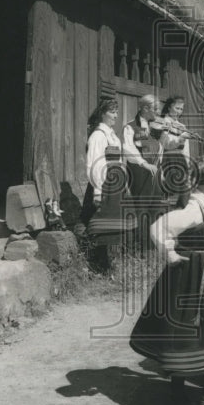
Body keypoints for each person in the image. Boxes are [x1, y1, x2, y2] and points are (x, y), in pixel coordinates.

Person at [129, 158, 204, 405]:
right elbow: (158, 228)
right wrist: (170, 253)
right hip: (191, 275)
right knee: (189, 328)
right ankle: (187, 389)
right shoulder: (194, 208)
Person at [81, 98, 134, 274]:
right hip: (103, 184)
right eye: (112, 112)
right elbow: (95, 164)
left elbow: (118, 161)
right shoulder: (98, 135)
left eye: (117, 112)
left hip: (115, 184)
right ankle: (94, 262)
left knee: (112, 224)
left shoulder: (112, 135)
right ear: (102, 113)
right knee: (98, 221)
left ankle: (107, 263)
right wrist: (97, 190)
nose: (115, 116)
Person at [122, 95, 165, 251]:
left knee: (155, 208)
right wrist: (143, 163)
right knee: (141, 210)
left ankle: (153, 246)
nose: (158, 112)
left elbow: (159, 149)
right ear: (145, 108)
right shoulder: (130, 127)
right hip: (140, 174)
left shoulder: (154, 128)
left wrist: (161, 170)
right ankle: (141, 249)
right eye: (156, 109)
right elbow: (128, 149)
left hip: (155, 174)